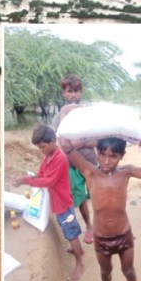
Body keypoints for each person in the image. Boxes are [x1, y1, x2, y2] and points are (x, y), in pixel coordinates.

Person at [60, 128, 141, 281]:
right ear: (97, 153)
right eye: (102, 154)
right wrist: (93, 140)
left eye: (113, 156)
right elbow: (65, 144)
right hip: (101, 238)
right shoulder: (90, 172)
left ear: (122, 156)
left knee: (129, 271)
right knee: (105, 272)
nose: (106, 161)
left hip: (124, 235)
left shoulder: (126, 172)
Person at [13, 124, 85, 281]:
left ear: (53, 141)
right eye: (39, 148)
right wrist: (32, 178)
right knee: (68, 229)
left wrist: (26, 180)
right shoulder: (48, 157)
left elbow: (49, 181)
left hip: (63, 202)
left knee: (71, 233)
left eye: (43, 147)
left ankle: (80, 264)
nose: (41, 150)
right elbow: (41, 174)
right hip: (57, 202)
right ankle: (77, 250)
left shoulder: (60, 158)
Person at [52, 74, 95, 244]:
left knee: (97, 195)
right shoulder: (58, 116)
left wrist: (74, 145)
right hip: (71, 164)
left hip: (91, 162)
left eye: (76, 91)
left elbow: (95, 140)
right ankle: (89, 227)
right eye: (69, 92)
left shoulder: (88, 113)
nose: (73, 95)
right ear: (63, 93)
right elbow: (62, 143)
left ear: (81, 92)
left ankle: (100, 227)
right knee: (81, 198)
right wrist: (64, 114)